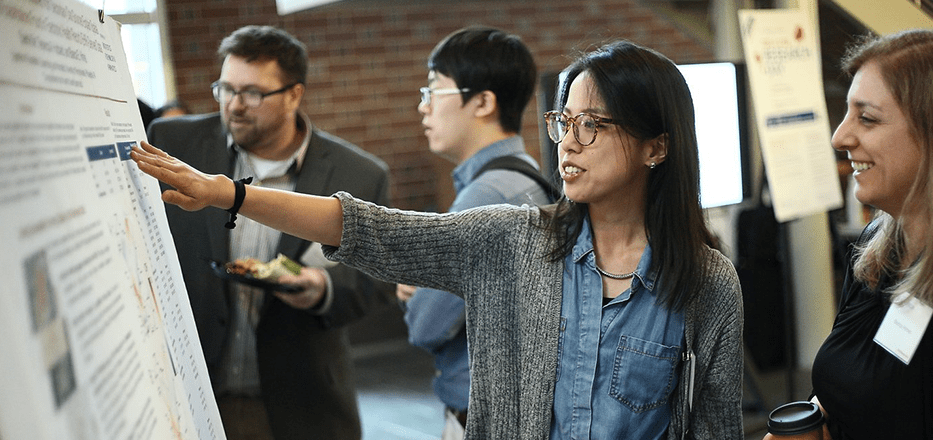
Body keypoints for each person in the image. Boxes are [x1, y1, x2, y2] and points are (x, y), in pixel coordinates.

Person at [133, 39, 744, 439]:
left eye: (594, 125)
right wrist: (230, 195)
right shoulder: (513, 240)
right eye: (563, 122)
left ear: (657, 146)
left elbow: (714, 427)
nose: (568, 143)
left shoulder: (706, 283)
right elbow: (367, 227)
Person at [146, 25, 394, 440]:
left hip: (301, 403)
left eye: (253, 93)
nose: (234, 106)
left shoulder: (360, 175)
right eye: (225, 89)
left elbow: (380, 278)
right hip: (189, 395)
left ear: (294, 94)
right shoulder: (174, 144)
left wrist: (322, 286)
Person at [765, 29, 933, 440]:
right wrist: (815, 420)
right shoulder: (879, 248)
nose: (840, 137)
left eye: (868, 118)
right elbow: (863, 381)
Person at [394, 26, 552, 439]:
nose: (423, 108)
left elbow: (425, 325)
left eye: (433, 91)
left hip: (485, 420)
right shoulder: (526, 178)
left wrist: (420, 288)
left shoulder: (487, 195)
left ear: (482, 102)